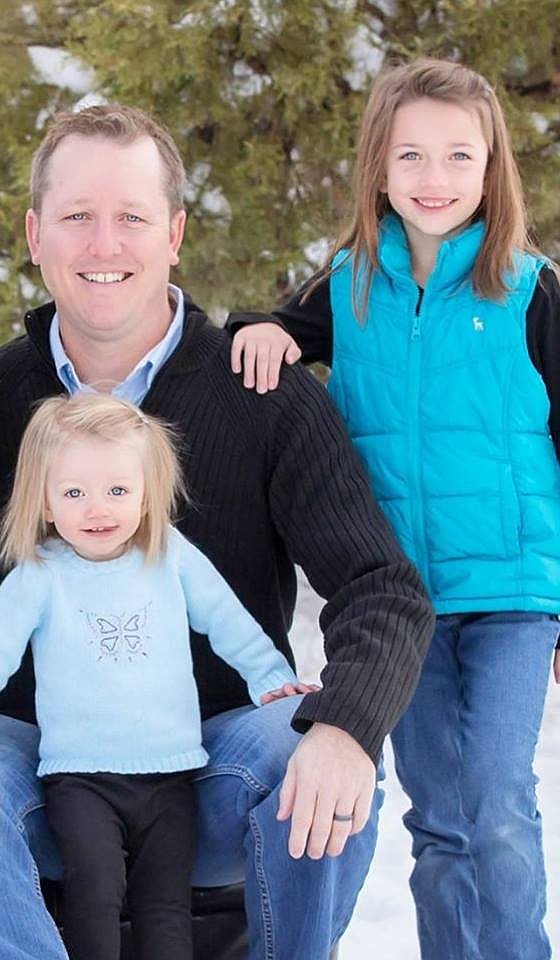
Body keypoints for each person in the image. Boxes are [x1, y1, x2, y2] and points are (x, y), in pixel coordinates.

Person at [0, 104, 435, 960]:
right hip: (43, 760)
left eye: (132, 218)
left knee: (327, 761)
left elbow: (382, 586)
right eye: (77, 218)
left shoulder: (262, 392)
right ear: (35, 234)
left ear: (174, 233)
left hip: (212, 753)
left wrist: (346, 725)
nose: (104, 245)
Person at [228, 59, 560, 960]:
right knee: (439, 816)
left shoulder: (530, 289)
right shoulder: (347, 283)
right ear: (378, 167)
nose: (435, 178)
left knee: (495, 800)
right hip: (402, 604)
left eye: (459, 156)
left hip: (513, 594)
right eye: (411, 155)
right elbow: (273, 331)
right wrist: (261, 330)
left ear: (492, 169)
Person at [0, 393, 316, 960]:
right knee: (95, 892)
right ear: (44, 499)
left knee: (165, 906)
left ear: (146, 492)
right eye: (74, 493)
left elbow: (227, 620)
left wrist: (270, 677)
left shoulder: (169, 555)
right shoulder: (41, 574)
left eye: (117, 490)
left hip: (170, 773)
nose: (97, 509)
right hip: (80, 777)